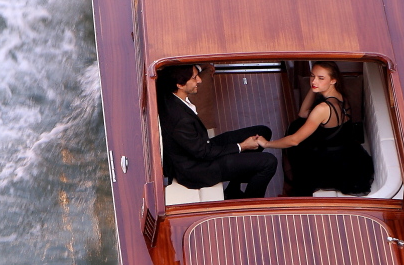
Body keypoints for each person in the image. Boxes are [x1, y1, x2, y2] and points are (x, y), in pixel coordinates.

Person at [157, 63, 276, 199]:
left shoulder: (167, 90)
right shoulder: (180, 120)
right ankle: (248, 205)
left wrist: (202, 66)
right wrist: (242, 146)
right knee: (269, 162)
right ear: (180, 85)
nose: (199, 80)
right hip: (198, 169)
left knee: (262, 132)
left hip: (199, 147)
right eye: (194, 78)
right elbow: (204, 153)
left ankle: (233, 188)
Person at [259, 62, 374, 195]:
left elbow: (294, 140)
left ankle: (291, 190)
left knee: (295, 140)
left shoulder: (322, 109)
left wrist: (267, 144)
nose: (314, 81)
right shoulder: (341, 96)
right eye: (312, 76)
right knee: (297, 125)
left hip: (332, 163)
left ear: (333, 80)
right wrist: (315, 87)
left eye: (321, 78)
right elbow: (303, 113)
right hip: (346, 153)